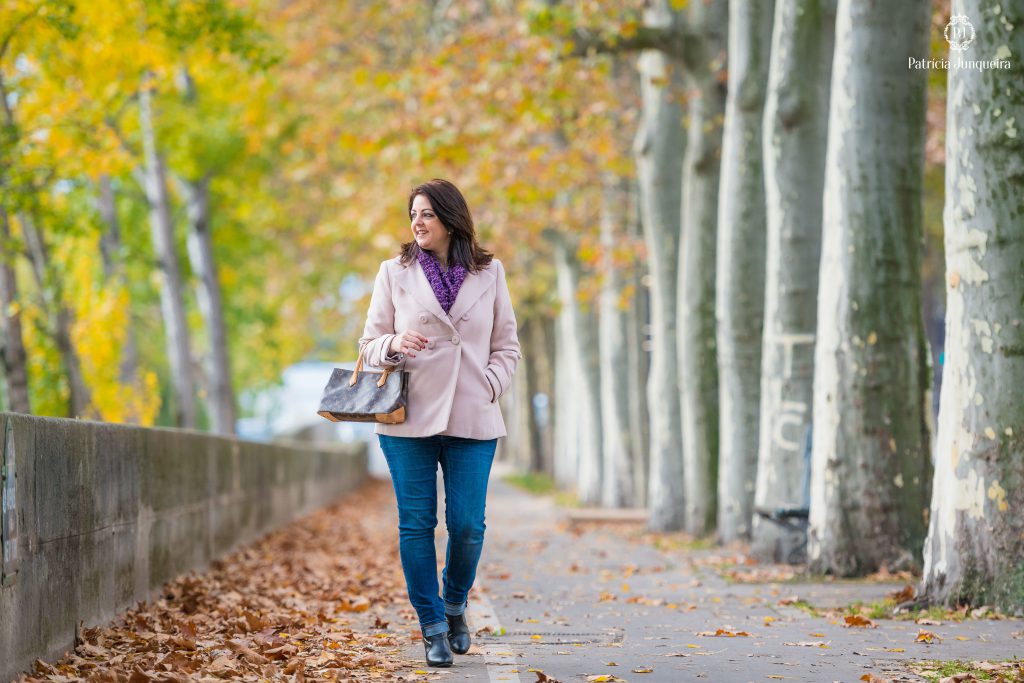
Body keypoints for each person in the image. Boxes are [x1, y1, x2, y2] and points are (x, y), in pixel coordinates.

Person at [358, 179, 521, 667]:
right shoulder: (394, 272)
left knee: (468, 526)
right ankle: (431, 624)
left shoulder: (490, 273)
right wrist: (393, 344)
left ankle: (455, 604)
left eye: (426, 213)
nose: (417, 222)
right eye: (413, 214)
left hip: (472, 413)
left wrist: (489, 384)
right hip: (409, 416)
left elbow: (507, 346)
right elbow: (367, 345)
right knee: (416, 524)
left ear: (451, 218)